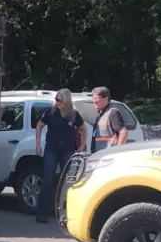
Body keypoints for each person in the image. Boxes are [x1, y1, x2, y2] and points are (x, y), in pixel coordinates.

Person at [34, 89, 87, 224]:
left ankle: (66, 213)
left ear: (66, 102)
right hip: (51, 149)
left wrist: (82, 145)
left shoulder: (73, 114)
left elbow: (83, 128)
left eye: (60, 101)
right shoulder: (50, 112)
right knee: (48, 179)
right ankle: (41, 213)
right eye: (56, 100)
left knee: (67, 181)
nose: (57, 103)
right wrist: (38, 144)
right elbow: (39, 126)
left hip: (67, 150)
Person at [90, 86, 128, 153]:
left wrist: (117, 151)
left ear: (106, 99)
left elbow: (123, 133)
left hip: (109, 154)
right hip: (100, 154)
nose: (94, 101)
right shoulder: (100, 113)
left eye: (96, 98)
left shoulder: (113, 112)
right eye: (93, 98)